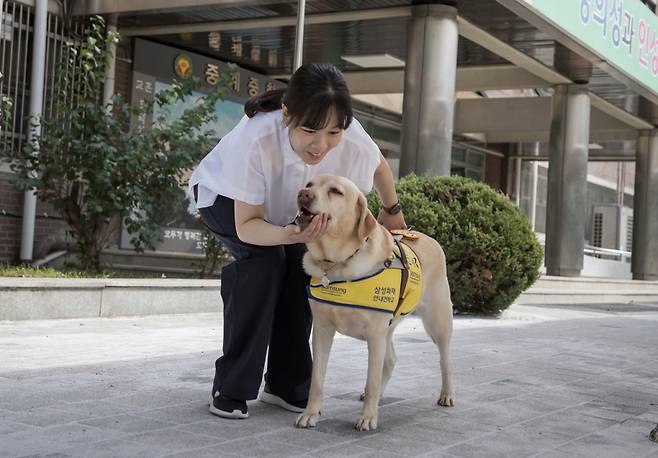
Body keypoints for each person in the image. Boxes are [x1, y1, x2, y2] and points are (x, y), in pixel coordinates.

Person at [189, 63, 406, 419]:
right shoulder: (257, 138)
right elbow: (247, 227)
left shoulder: (346, 131)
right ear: (287, 114)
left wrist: (392, 209)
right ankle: (231, 387)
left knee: (305, 270)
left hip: (286, 210)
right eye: (309, 130)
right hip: (227, 201)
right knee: (264, 264)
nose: (322, 145)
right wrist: (291, 235)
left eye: (334, 132)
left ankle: (286, 384)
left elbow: (377, 162)